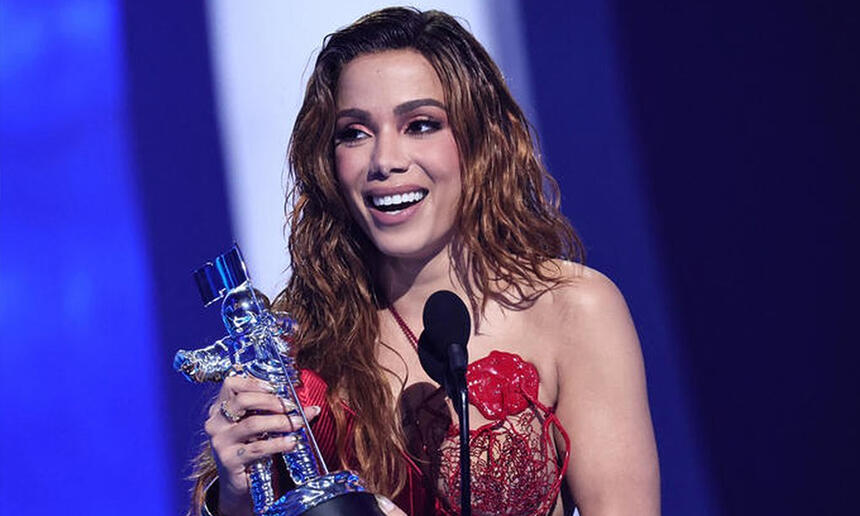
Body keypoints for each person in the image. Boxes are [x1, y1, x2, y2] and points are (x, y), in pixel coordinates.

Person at [190, 7, 659, 516]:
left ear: (481, 140)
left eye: (420, 124)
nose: (385, 160)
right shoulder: (299, 345)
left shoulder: (573, 309)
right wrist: (236, 494)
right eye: (354, 132)